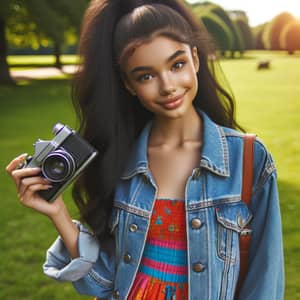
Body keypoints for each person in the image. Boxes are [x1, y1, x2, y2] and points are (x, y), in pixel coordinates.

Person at [6, 0, 284, 299]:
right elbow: (106, 282)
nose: (167, 86)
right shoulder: (120, 161)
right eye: (146, 76)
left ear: (195, 59)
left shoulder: (249, 159)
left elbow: (265, 279)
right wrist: (57, 213)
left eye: (177, 64)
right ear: (128, 84)